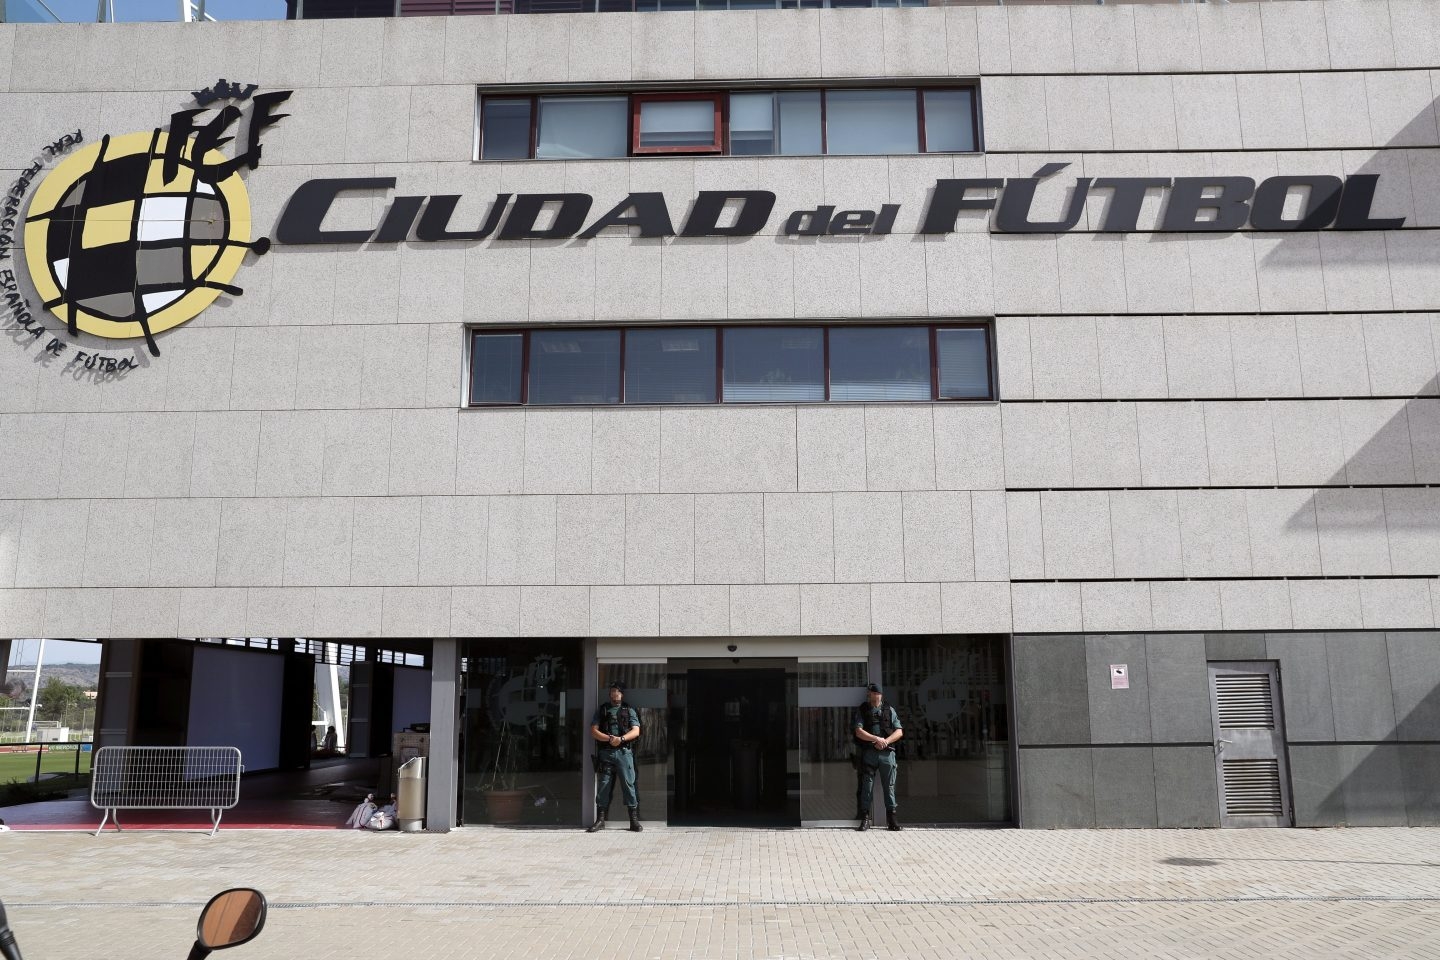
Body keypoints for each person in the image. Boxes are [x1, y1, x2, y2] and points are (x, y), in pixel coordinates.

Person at [587, 680, 642, 833]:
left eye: (617, 691)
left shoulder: (629, 709)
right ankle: (600, 820)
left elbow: (636, 731)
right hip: (606, 753)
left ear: (622, 694)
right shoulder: (603, 709)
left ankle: (634, 821)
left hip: (624, 753)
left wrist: (621, 739)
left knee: (628, 784)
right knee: (604, 785)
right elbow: (594, 731)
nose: (614, 694)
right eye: (612, 691)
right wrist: (610, 739)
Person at [853, 683, 903, 832]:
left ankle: (892, 820)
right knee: (866, 787)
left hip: (887, 754)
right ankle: (865, 819)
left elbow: (899, 731)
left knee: (889, 787)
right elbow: (858, 731)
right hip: (870, 754)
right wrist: (876, 739)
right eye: (871, 693)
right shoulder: (863, 710)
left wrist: (885, 741)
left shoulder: (889, 710)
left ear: (879, 695)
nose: (872, 696)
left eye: (875, 693)